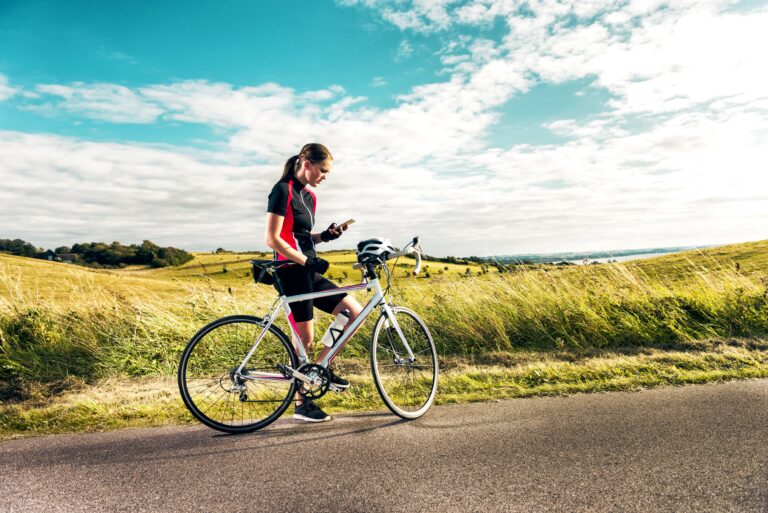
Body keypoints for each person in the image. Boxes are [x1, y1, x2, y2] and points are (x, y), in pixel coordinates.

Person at [265, 143, 363, 423]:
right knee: (304, 340)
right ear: (306, 163)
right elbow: (273, 239)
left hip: (307, 271)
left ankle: (320, 368)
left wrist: (326, 236)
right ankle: (301, 403)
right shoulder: (282, 190)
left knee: (352, 313)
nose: (324, 177)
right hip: (291, 272)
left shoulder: (309, 196)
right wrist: (306, 262)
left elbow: (302, 235)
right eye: (323, 170)